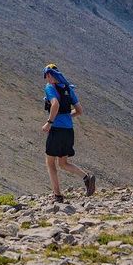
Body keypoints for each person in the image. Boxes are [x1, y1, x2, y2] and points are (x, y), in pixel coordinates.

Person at [41, 63, 95, 200]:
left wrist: (49, 122)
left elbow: (55, 104)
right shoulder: (68, 88)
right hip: (68, 131)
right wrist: (66, 116)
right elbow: (79, 111)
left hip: (57, 130)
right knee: (63, 163)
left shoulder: (50, 87)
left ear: (48, 75)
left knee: (50, 162)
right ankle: (87, 177)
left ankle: (57, 195)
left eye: (46, 76)